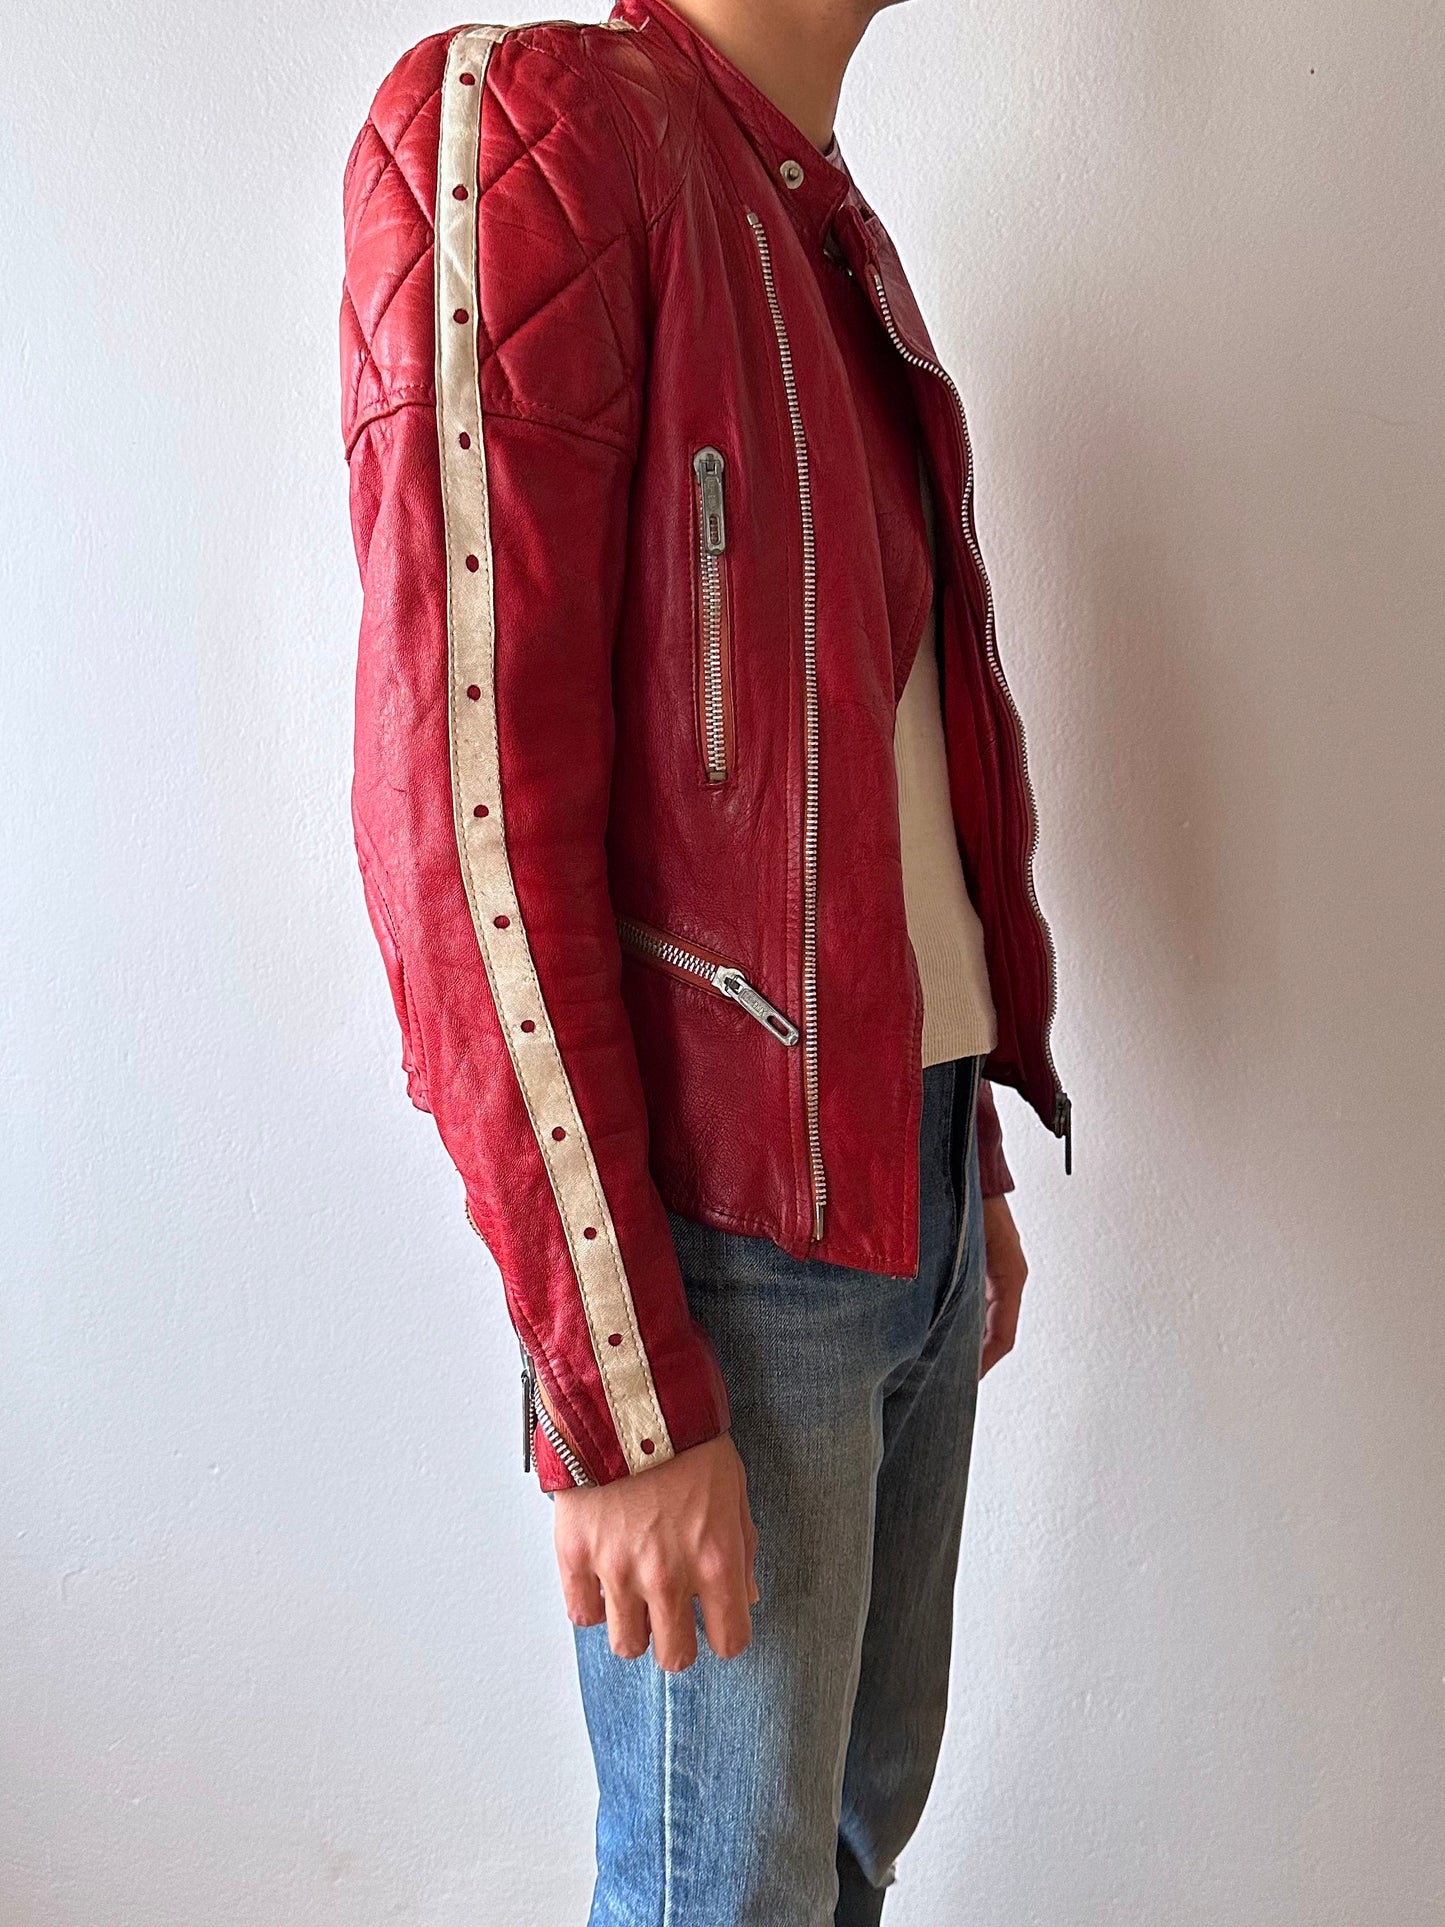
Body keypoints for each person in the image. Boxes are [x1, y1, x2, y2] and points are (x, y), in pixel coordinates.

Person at [341, 0, 1069, 1917]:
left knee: (842, 1856)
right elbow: (462, 812)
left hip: (896, 1183)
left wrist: (963, 1157)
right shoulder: (549, 124)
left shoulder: (817, 217)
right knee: (719, 1898)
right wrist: (615, 1390)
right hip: (725, 1249)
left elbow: (856, 777)